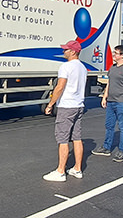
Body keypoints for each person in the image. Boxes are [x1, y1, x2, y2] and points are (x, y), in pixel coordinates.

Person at [43, 40, 88, 182]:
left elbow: (60, 87)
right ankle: (77, 169)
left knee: (62, 139)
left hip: (67, 106)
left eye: (66, 50)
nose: (64, 52)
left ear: (73, 51)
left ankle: (61, 171)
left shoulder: (66, 67)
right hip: (79, 105)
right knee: (77, 137)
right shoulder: (83, 68)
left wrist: (50, 104)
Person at [92, 45, 123, 162]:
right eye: (114, 53)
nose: (114, 55)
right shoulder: (112, 68)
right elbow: (109, 83)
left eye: (116, 53)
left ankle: (122, 151)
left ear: (122, 55)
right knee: (109, 126)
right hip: (111, 102)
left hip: (122, 102)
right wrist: (104, 97)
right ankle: (106, 148)